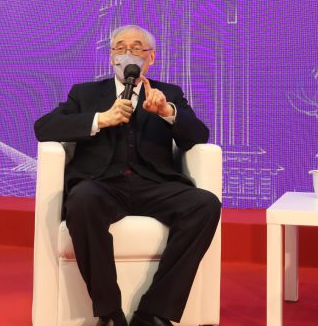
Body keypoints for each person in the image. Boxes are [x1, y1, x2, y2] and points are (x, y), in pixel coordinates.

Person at [34, 24, 221, 326]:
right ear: (111, 57)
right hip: (102, 185)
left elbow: (198, 135)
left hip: (155, 185)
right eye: (119, 48)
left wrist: (167, 112)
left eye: (136, 48)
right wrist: (99, 119)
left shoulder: (168, 93)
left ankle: (154, 313)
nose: (127, 54)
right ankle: (109, 313)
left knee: (206, 204)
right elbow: (44, 128)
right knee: (82, 201)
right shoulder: (85, 93)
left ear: (151, 57)